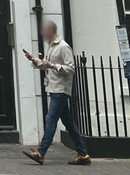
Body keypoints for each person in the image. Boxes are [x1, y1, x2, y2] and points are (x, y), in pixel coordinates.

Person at [22, 19, 91, 166]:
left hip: (61, 89)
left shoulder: (64, 47)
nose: (42, 33)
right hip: (53, 88)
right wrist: (33, 59)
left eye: (44, 31)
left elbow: (71, 68)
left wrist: (53, 65)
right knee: (68, 123)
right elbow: (44, 65)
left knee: (50, 118)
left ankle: (41, 153)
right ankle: (83, 154)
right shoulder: (51, 47)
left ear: (50, 31)